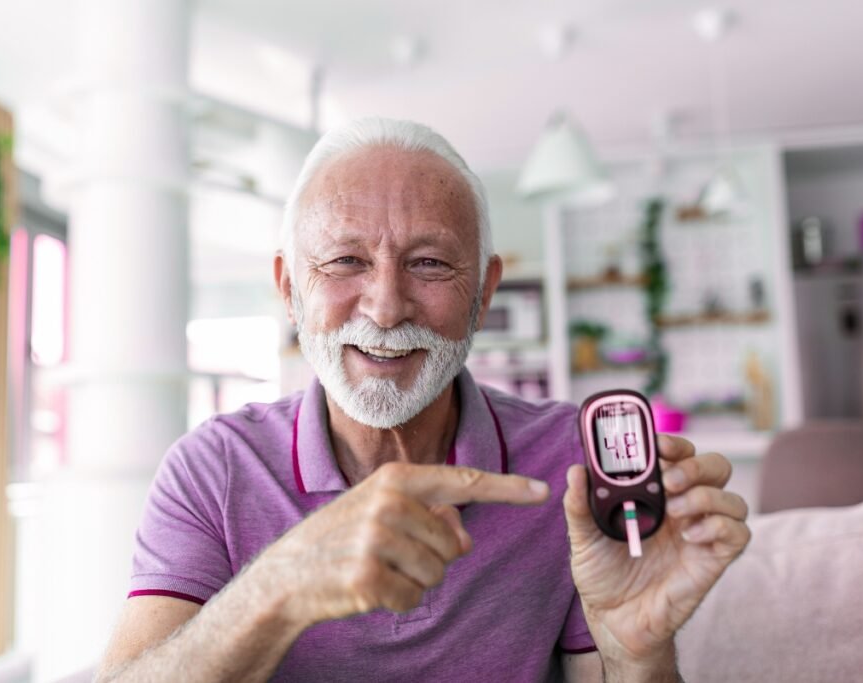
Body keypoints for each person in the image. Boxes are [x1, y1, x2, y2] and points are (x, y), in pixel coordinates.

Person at [97, 118, 750, 682]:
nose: (385, 307)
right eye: (345, 260)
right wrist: (283, 583)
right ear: (288, 285)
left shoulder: (570, 463)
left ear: (484, 289)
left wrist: (638, 654)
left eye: (430, 263)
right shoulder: (212, 469)